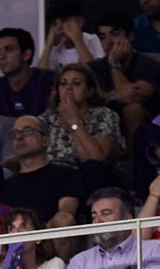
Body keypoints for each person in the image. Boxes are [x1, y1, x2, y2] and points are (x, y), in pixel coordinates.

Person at [42, 64, 124, 192]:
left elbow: (95, 159)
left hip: (89, 180)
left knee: (92, 169)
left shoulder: (104, 115)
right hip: (52, 180)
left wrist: (73, 120)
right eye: (63, 84)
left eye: (76, 83)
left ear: (90, 91)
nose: (68, 88)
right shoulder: (48, 118)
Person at [90, 12, 160, 136]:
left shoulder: (148, 64)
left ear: (130, 36)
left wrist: (114, 63)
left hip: (147, 125)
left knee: (133, 109)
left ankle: (133, 155)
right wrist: (112, 96)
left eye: (115, 35)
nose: (108, 42)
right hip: (103, 122)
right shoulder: (94, 68)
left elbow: (133, 97)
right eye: (103, 37)